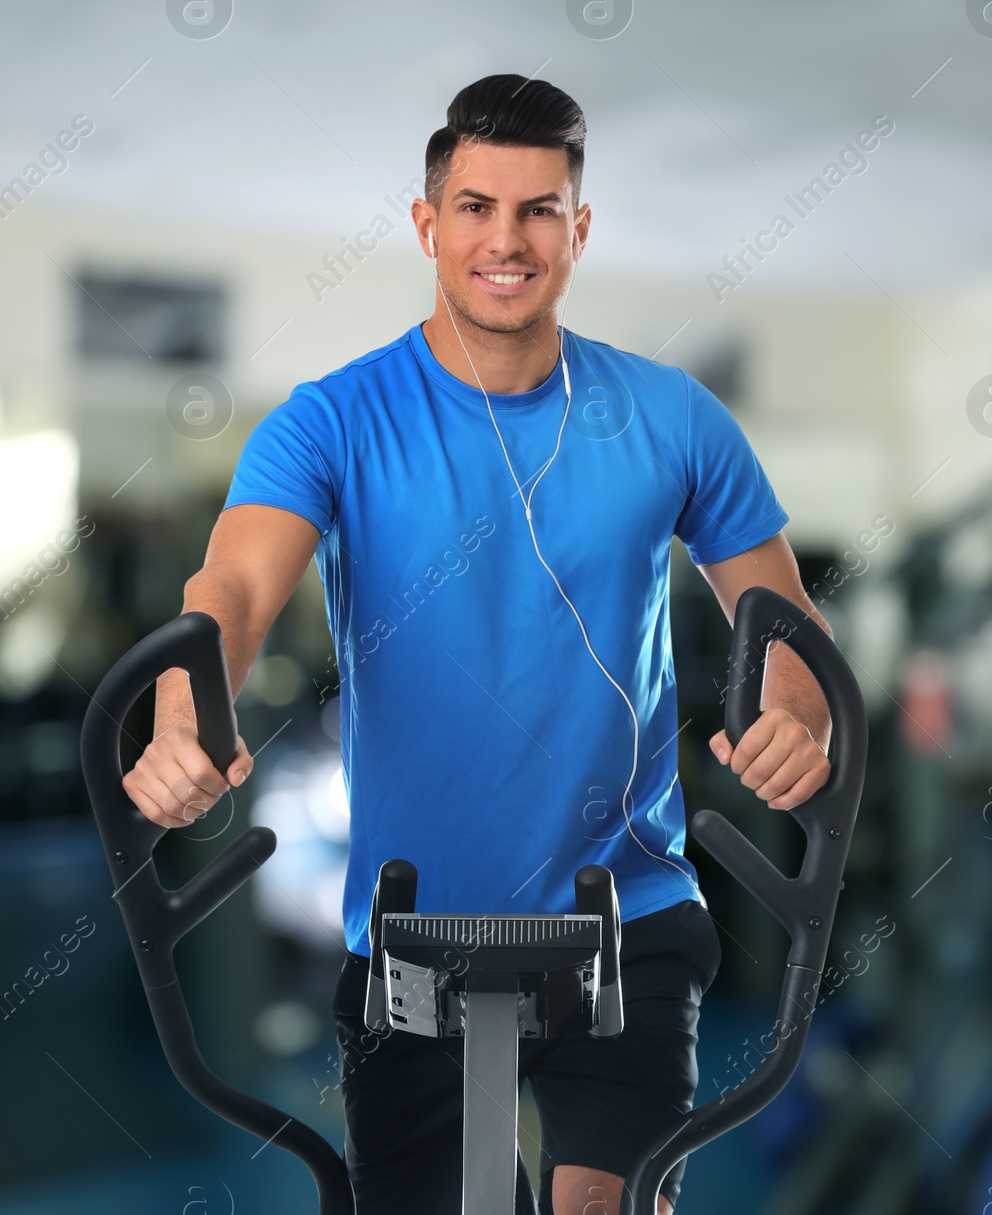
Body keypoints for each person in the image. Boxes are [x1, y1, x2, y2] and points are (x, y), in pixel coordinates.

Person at [123, 73, 833, 1215]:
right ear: (426, 224)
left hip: (628, 912)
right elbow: (236, 586)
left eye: (538, 209)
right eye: (473, 207)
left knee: (603, 1203)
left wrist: (795, 714)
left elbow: (782, 618)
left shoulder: (672, 416)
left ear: (578, 228)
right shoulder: (332, 418)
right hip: (407, 932)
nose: (505, 240)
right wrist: (181, 715)